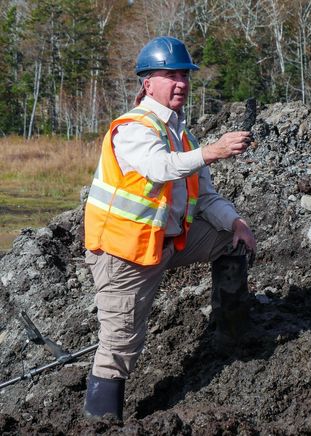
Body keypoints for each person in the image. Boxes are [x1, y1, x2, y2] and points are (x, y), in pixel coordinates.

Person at [82, 36, 257, 421]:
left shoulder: (181, 134)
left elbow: (206, 196)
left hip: (167, 243)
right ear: (147, 83)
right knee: (119, 348)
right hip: (125, 255)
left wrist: (237, 222)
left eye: (184, 75)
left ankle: (230, 340)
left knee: (232, 242)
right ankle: (100, 424)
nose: (180, 83)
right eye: (169, 75)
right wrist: (213, 150)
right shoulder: (133, 128)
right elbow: (160, 168)